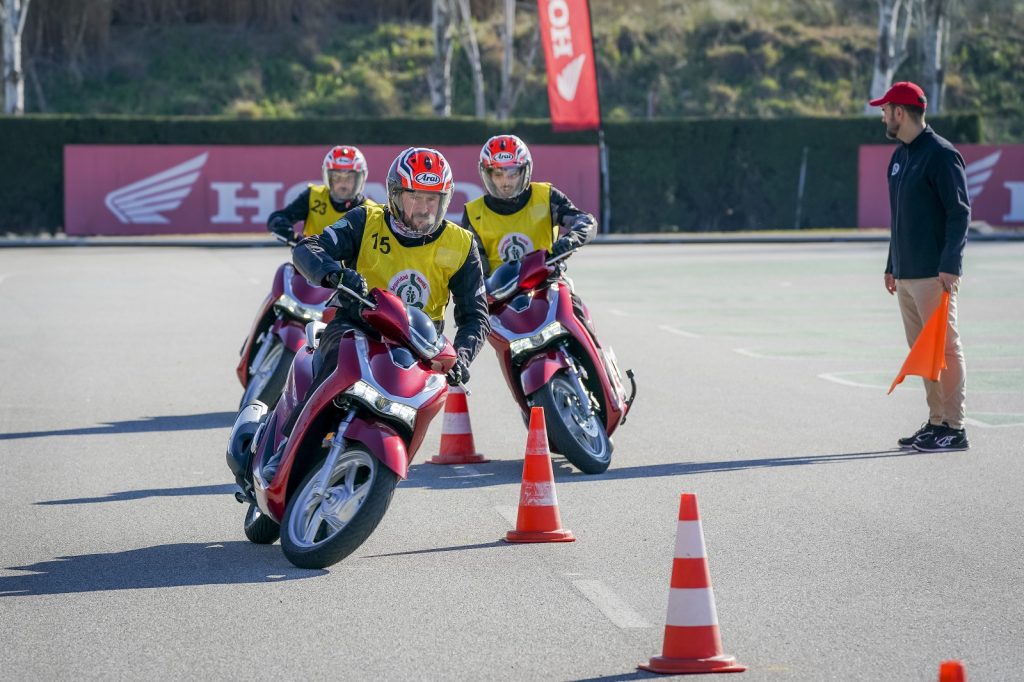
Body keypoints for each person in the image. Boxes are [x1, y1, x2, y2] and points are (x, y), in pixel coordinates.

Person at [264, 148, 489, 477]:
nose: (425, 208)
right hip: (357, 326)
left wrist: (463, 357)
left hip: (419, 347)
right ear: (395, 195)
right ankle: (285, 451)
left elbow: (475, 316)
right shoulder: (365, 220)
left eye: (433, 199)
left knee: (425, 401)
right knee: (333, 368)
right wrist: (335, 274)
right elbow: (309, 248)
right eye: (415, 197)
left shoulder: (462, 243)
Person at [871, 81, 970, 452]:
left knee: (945, 349)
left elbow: (959, 213)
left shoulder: (942, 154)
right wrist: (891, 263)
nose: (883, 116)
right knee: (923, 352)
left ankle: (955, 428)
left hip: (934, 273)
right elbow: (899, 218)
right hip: (906, 272)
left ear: (900, 112)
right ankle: (936, 421)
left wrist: (951, 264)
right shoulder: (899, 157)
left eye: (885, 110)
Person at [462, 134, 597, 276]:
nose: (505, 182)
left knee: (567, 292)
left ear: (525, 171)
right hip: (499, 289)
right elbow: (473, 267)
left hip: (547, 281)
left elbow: (586, 221)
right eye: (498, 174)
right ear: (487, 175)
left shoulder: (546, 196)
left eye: (512, 174)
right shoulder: (473, 213)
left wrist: (570, 240)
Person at [266, 145, 377, 240]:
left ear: (361, 178)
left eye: (349, 177)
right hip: (310, 258)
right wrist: (294, 238)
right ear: (327, 177)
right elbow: (278, 218)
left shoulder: (372, 211)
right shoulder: (313, 196)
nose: (343, 183)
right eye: (336, 177)